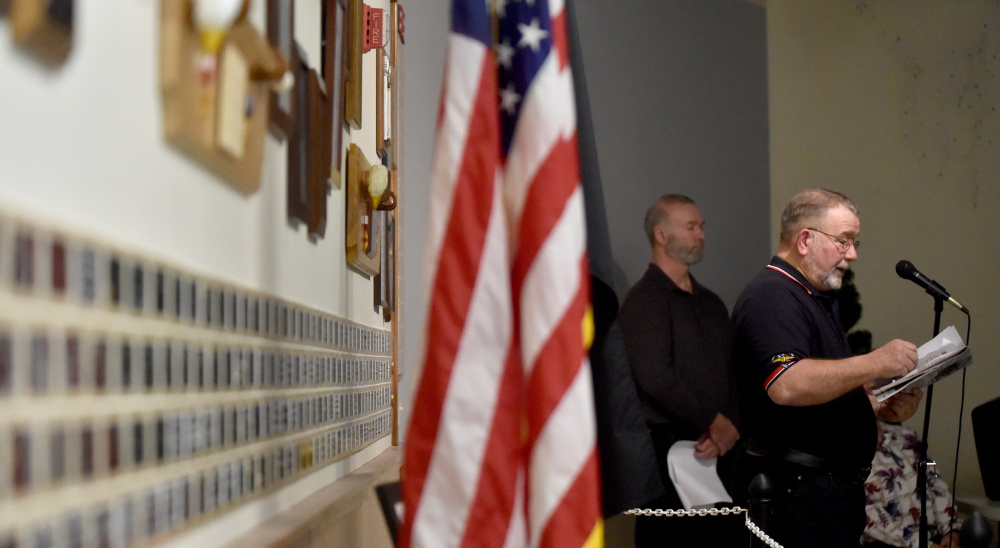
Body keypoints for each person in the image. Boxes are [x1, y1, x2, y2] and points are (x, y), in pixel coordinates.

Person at [730, 188, 923, 548]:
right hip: (795, 496)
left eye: (854, 242)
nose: (851, 254)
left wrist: (875, 404)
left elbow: (823, 386)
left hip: (826, 496)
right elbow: (786, 384)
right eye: (844, 241)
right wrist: (875, 361)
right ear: (805, 239)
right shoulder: (772, 295)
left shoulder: (813, 296)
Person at [619, 194, 742, 547]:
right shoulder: (644, 301)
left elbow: (733, 370)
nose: (701, 235)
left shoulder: (711, 302)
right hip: (667, 459)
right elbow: (655, 375)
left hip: (722, 453)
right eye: (691, 227)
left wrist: (730, 424)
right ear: (661, 235)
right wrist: (712, 421)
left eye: (701, 227)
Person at [863, 421, 961, 548]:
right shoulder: (839, 444)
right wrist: (923, 544)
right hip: (886, 542)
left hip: (934, 537)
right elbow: (863, 511)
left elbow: (934, 479)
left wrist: (951, 530)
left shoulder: (908, 435)